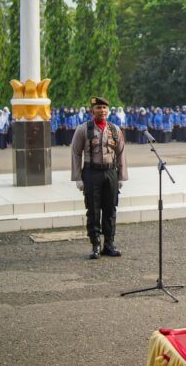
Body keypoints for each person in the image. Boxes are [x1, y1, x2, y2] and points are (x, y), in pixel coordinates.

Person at [71, 97, 128, 260]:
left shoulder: (114, 129)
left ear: (108, 111)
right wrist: (78, 177)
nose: (102, 111)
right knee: (94, 210)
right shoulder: (83, 129)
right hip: (91, 172)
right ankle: (95, 245)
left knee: (110, 209)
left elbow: (121, 152)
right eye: (98, 108)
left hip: (110, 172)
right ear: (92, 110)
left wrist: (121, 176)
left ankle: (109, 244)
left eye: (104, 108)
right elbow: (76, 152)